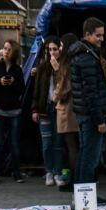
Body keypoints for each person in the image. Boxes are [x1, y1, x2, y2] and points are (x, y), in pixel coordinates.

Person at [69, 18, 106, 184]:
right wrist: (99, 119)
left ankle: (82, 194)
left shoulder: (83, 54)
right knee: (90, 156)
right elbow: (91, 93)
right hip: (90, 115)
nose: (101, 38)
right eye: (98, 35)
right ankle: (86, 196)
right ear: (87, 35)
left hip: (83, 113)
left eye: (102, 35)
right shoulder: (87, 57)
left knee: (85, 153)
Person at [0, 39, 25, 184]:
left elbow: (22, 89)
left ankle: (16, 172)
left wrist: (13, 83)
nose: (6, 51)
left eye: (9, 49)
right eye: (4, 48)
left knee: (14, 143)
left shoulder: (17, 69)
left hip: (14, 111)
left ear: (14, 52)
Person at [32, 36, 65, 187]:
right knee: (46, 143)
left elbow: (65, 85)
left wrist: (57, 68)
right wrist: (34, 109)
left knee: (58, 143)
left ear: (60, 49)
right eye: (49, 49)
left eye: (55, 49)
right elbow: (37, 90)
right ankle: (48, 172)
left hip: (59, 108)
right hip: (45, 108)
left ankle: (58, 172)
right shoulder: (42, 67)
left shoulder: (63, 66)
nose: (52, 52)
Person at [55, 33, 79, 189]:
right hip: (73, 108)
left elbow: (63, 88)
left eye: (61, 45)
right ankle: (74, 178)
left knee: (71, 146)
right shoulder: (75, 62)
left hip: (67, 109)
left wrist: (55, 95)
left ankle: (73, 180)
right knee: (73, 146)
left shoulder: (65, 65)